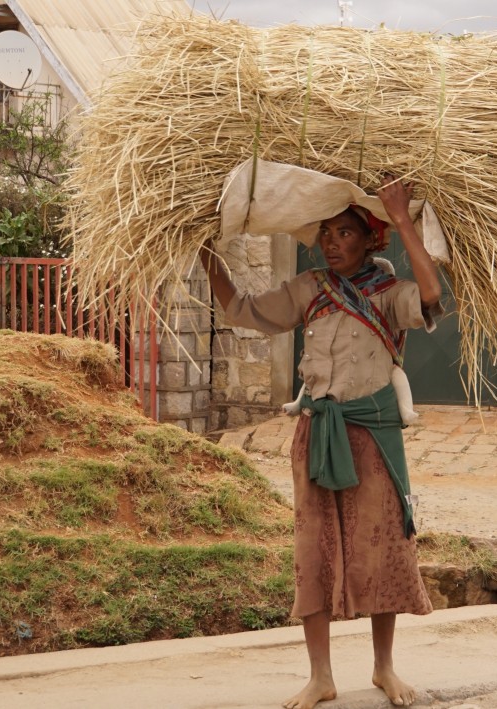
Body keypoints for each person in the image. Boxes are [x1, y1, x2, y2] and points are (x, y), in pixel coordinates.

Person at [199, 175, 442, 709]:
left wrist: (402, 218)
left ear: (369, 239)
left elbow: (430, 296)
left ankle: (384, 668)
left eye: (346, 233)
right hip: (318, 432)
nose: (333, 243)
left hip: (374, 431)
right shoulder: (309, 288)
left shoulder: (387, 294)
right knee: (315, 549)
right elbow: (243, 310)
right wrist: (204, 250)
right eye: (327, 233)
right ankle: (320, 677)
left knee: (384, 546)